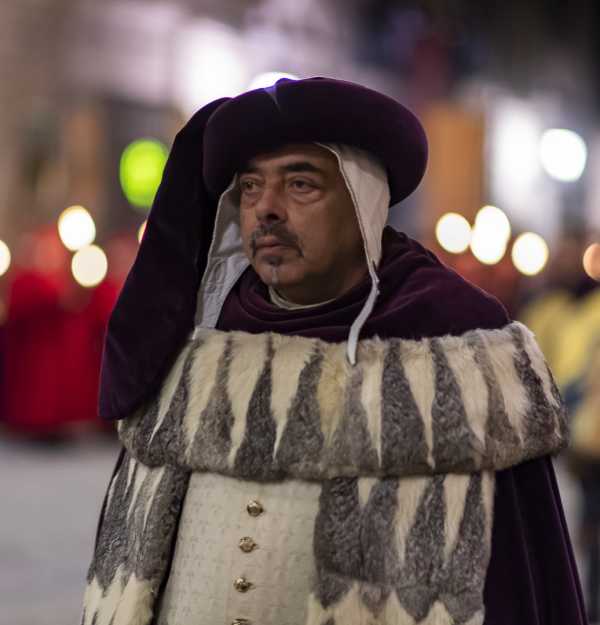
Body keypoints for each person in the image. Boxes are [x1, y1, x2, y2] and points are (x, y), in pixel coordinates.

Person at [82, 77, 585, 625]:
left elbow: (525, 588)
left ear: (365, 203)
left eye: (300, 184)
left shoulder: (463, 352)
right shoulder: (195, 351)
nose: (266, 208)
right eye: (250, 187)